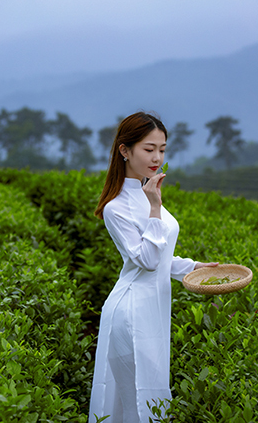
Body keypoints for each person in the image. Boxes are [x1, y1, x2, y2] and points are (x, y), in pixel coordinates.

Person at [88, 112, 219, 423]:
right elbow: (146, 261)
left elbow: (161, 256)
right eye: (149, 149)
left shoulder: (147, 193)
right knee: (137, 397)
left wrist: (197, 267)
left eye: (162, 149)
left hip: (153, 308)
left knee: (151, 391)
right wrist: (155, 207)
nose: (157, 157)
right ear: (124, 150)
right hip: (131, 311)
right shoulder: (116, 207)